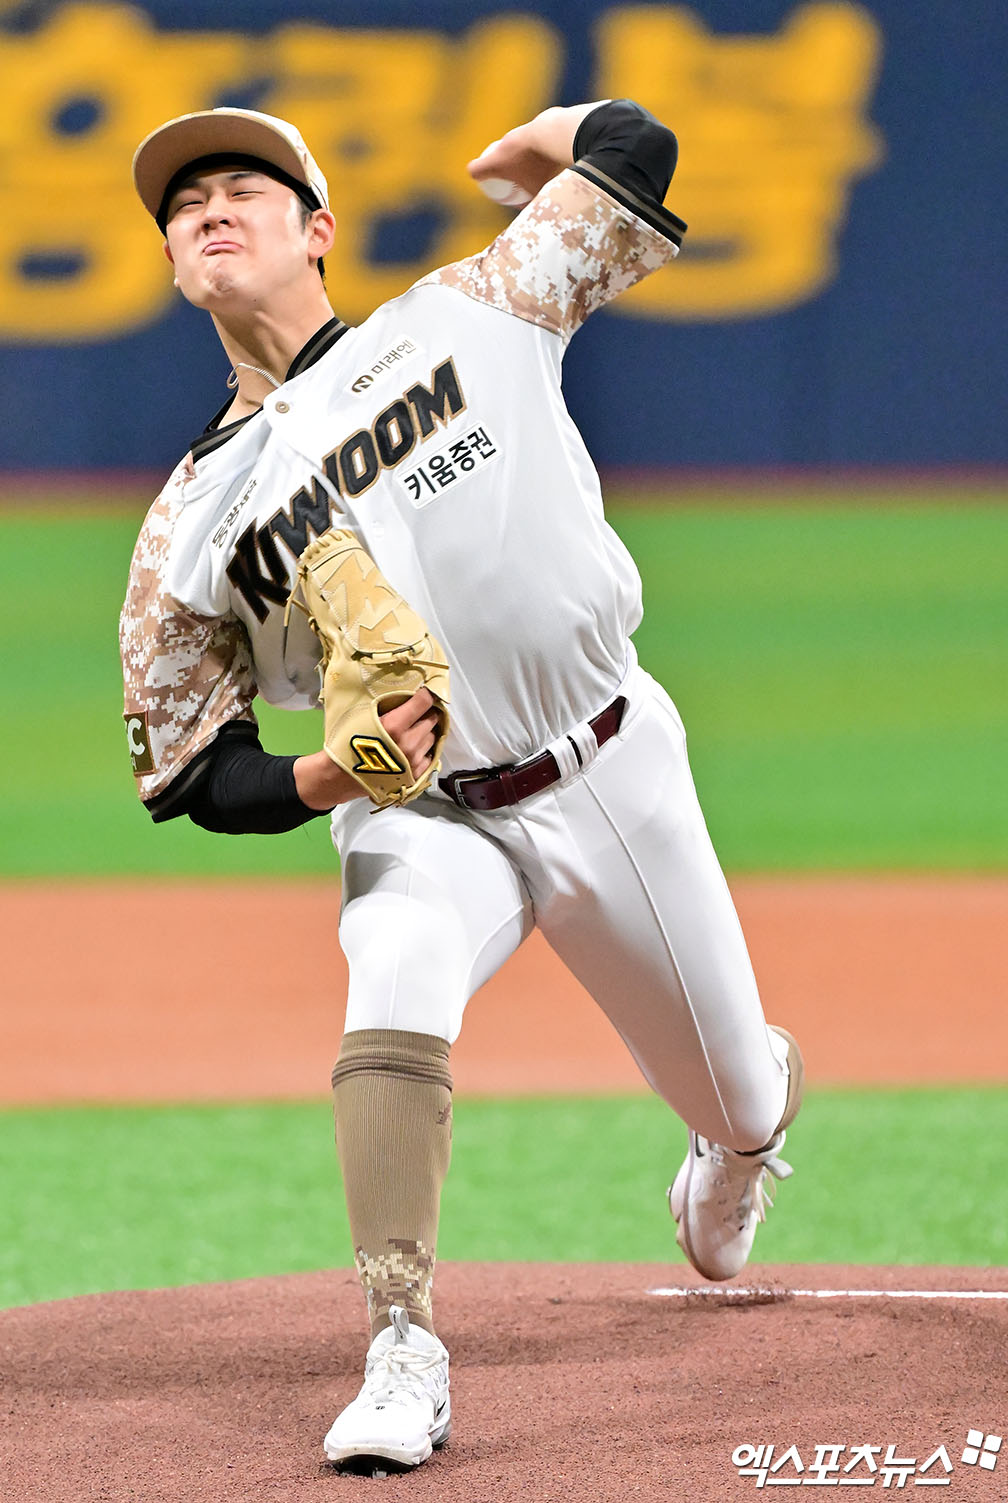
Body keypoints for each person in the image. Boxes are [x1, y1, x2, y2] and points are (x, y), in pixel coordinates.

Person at [120, 99, 803, 1473]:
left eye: (244, 189)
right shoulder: (189, 522)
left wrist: (550, 136)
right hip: (422, 815)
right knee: (391, 977)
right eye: (184, 204)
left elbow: (640, 153)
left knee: (736, 1096)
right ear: (174, 261)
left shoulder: (471, 312)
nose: (209, 210)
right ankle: (401, 1346)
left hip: (609, 764)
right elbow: (195, 768)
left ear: (319, 230)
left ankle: (740, 1145)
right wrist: (330, 774)